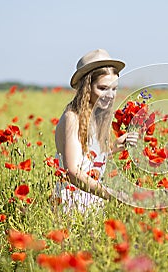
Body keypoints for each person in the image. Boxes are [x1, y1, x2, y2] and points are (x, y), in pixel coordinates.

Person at [54, 49, 138, 213]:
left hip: (92, 200)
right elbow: (73, 171)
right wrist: (111, 194)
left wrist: (113, 148)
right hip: (72, 204)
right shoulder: (73, 117)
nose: (110, 95)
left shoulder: (97, 117)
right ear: (87, 87)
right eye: (103, 88)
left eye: (114, 89)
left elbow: (87, 158)